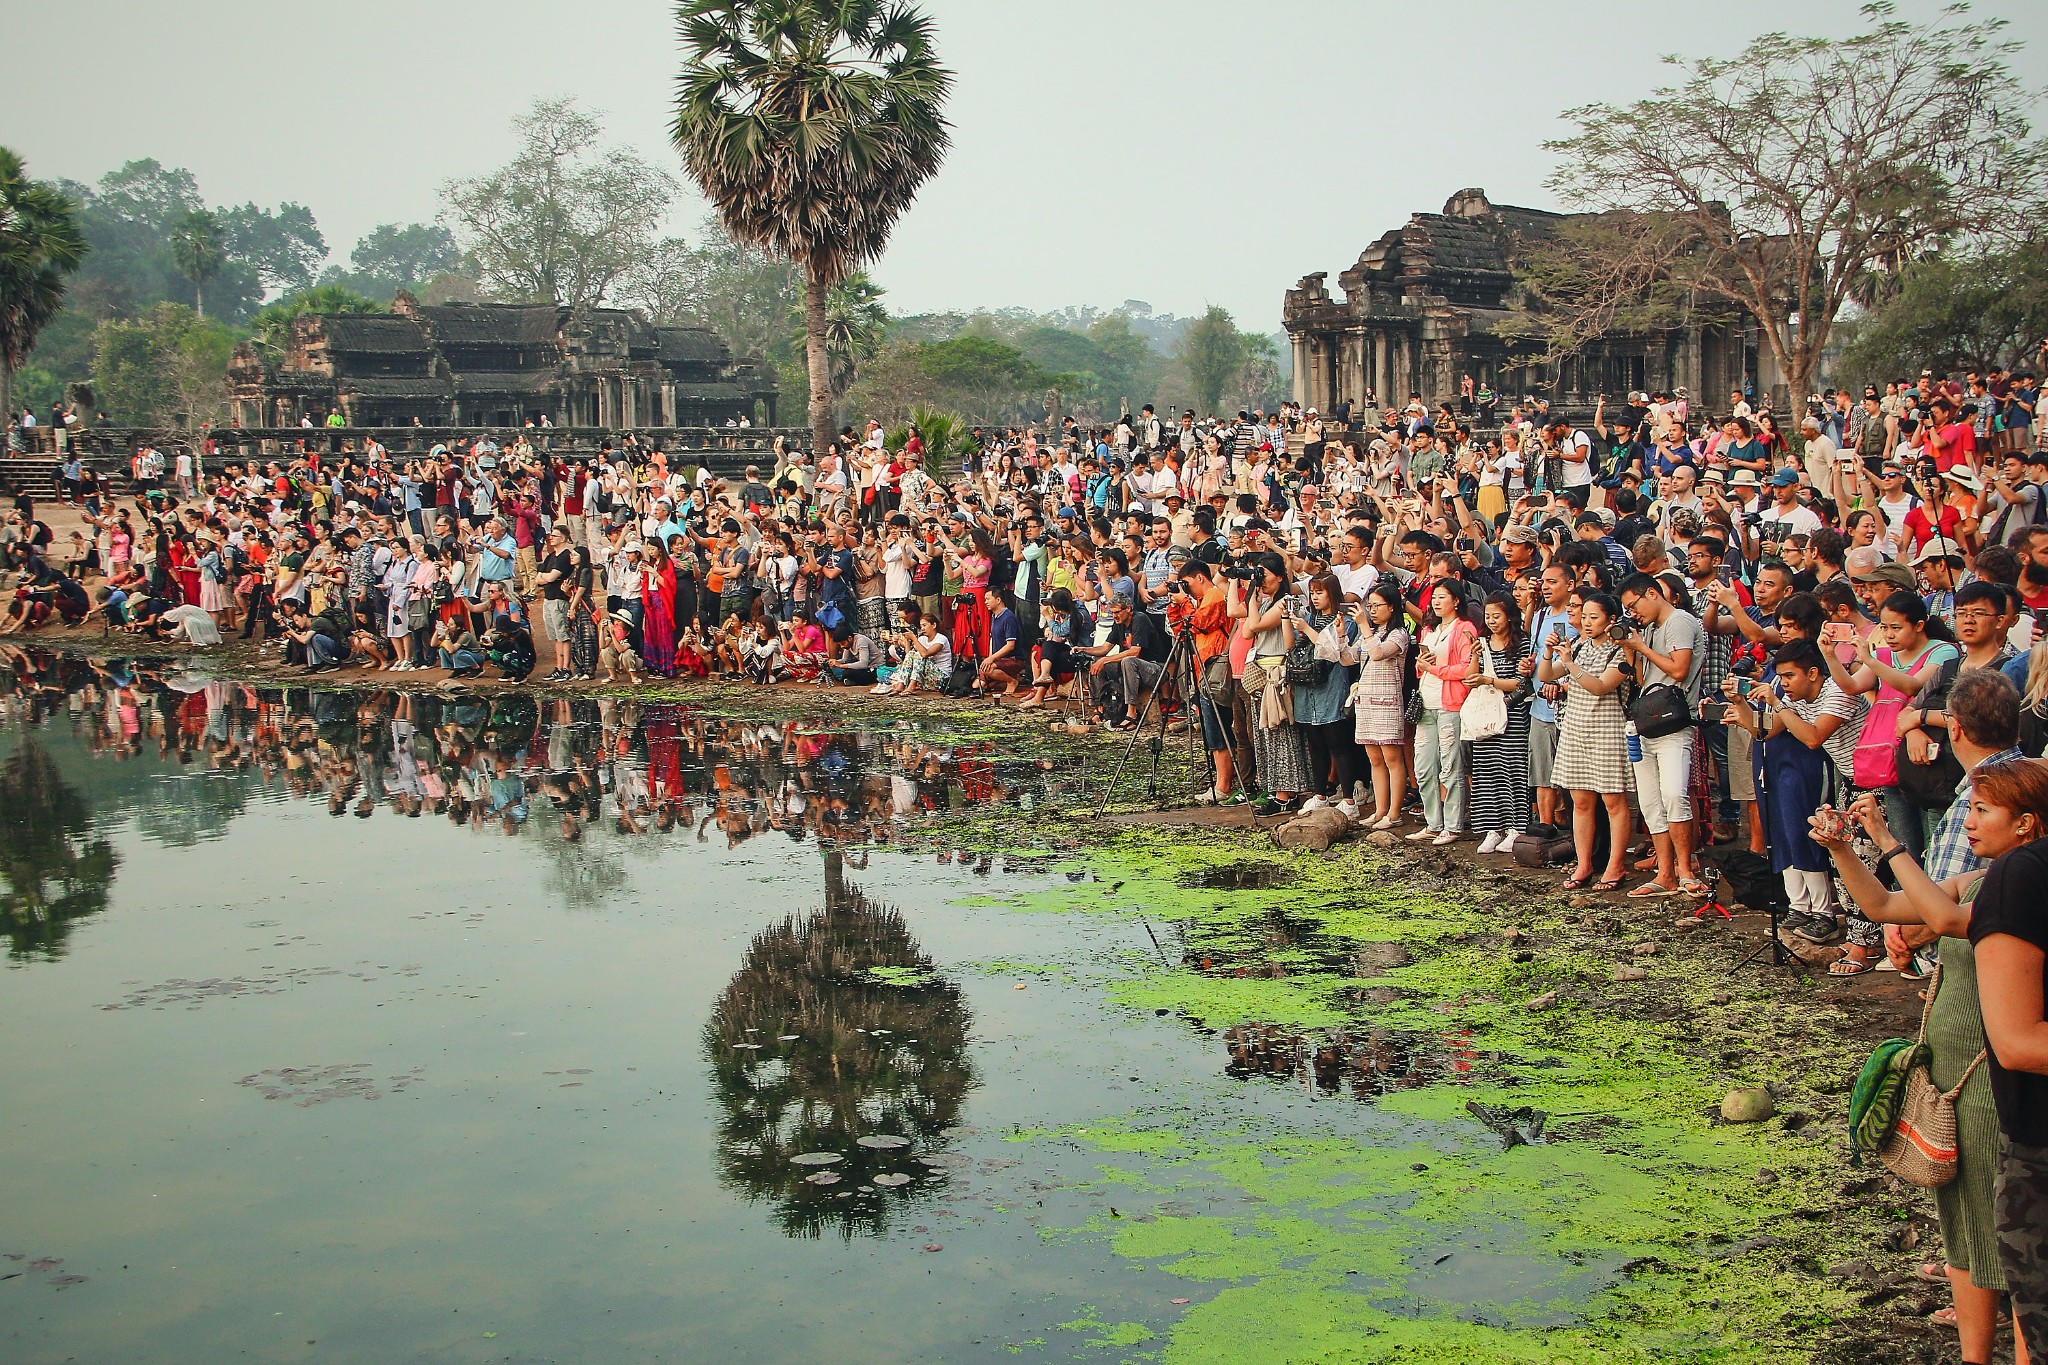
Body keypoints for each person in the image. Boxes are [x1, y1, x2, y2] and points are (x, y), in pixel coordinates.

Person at [1815, 673, 2029, 1361]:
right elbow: (1884, 908)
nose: (1966, 821)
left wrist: (1887, 838)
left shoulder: (2020, 885)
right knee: (1964, 1219)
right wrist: (1847, 849)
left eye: (1982, 813)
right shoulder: (1984, 876)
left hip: (1993, 1068)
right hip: (1954, 1058)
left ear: (2026, 824)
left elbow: (1936, 917)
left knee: (2015, 1236)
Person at [1540, 591, 1634, 891]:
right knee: (1580, 802)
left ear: (1611, 620)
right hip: (1575, 727)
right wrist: (1548, 653)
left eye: (1595, 617)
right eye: (1586, 616)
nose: (1587, 622)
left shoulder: (1620, 651)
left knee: (1613, 801)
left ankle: (1615, 866)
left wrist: (1569, 663)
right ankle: (1584, 864)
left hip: (1607, 728)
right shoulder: (1579, 646)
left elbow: (1600, 686)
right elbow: (1545, 675)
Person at [1229, 552, 1311, 816]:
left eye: (1263, 575)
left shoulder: (1287, 602)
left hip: (1277, 675)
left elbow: (1254, 624)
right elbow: (1239, 620)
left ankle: (1286, 793)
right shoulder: (1264, 603)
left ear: (1279, 576)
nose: (1260, 580)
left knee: (1281, 734)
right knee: (1265, 734)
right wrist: (1236, 578)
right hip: (1261, 675)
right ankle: (1276, 791)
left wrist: (1252, 591)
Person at [1410, 579, 1477, 844]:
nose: (1436, 602)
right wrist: (1422, 664)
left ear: (1456, 600)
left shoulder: (1465, 628)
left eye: (1442, 597)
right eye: (1434, 598)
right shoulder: (1429, 630)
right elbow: (1422, 668)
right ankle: (1433, 822)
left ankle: (1453, 824)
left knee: (1450, 767)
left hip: (1450, 705)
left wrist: (1434, 669)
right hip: (1426, 702)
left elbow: (1466, 668)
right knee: (1424, 766)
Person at [1466, 592, 1533, 853]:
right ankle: (1493, 829)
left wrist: (1489, 681)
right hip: (1486, 716)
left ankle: (1516, 827)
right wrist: (1474, 657)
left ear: (1509, 616)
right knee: (1487, 772)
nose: (1492, 621)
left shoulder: (1522, 644)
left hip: (1513, 714)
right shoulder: (1482, 643)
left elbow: (1521, 683)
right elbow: (1469, 677)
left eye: (1497, 615)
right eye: (1488, 616)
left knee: (1513, 769)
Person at [1351, 580, 1411, 830]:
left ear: (1392, 607)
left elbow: (1377, 653)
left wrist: (1364, 627)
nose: (1372, 610)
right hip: (1366, 701)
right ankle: (1380, 810)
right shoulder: (1371, 633)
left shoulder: (1399, 634)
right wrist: (1343, 634)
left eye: (1377, 606)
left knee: (1391, 757)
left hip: (1387, 701)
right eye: (1370, 606)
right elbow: (1347, 658)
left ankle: (1394, 812)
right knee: (1374, 757)